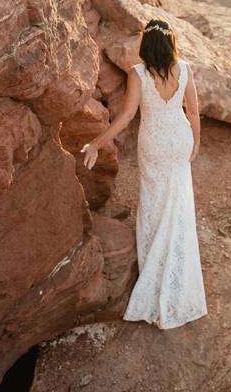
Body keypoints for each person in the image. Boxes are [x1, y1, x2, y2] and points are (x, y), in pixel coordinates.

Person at [81, 19, 207, 329]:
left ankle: (154, 262)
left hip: (153, 142)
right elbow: (192, 112)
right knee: (177, 199)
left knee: (154, 200)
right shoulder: (186, 68)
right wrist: (196, 143)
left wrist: (97, 143)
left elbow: (126, 117)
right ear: (170, 43)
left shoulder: (138, 74)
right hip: (179, 139)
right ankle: (177, 263)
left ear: (146, 45)